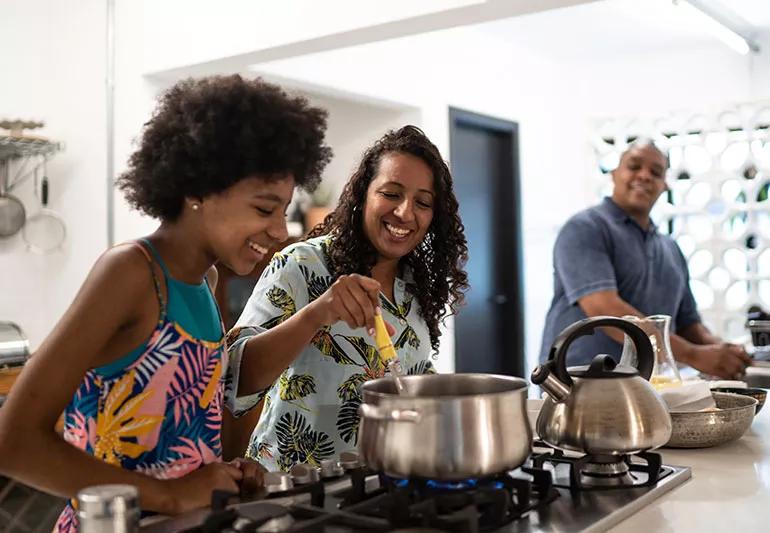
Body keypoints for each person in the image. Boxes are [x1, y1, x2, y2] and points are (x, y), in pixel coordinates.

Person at [0, 75, 332, 530]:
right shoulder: (131, 272)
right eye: (263, 209)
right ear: (196, 191)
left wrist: (229, 473)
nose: (279, 231)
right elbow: (13, 441)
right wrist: (172, 495)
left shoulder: (206, 280)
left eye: (282, 211)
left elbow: (188, 432)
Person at [227, 125, 469, 471]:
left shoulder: (416, 285)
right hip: (292, 488)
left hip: (379, 484)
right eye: (391, 193)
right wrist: (316, 314)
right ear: (362, 196)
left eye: (423, 202)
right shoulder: (302, 265)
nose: (405, 212)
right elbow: (236, 378)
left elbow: (407, 376)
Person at [539, 139, 752, 379]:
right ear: (614, 174)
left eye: (656, 172)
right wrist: (693, 355)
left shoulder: (670, 248)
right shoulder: (585, 228)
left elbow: (689, 325)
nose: (644, 176)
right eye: (634, 166)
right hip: (576, 385)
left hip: (646, 387)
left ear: (664, 186)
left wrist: (724, 353)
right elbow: (605, 310)